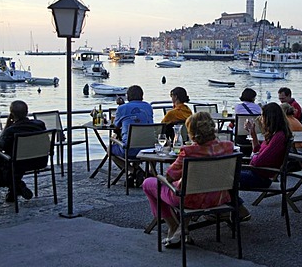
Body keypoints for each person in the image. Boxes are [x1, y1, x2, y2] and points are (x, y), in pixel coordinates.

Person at [142, 112, 234, 248]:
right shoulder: (228, 147)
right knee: (191, 185)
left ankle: (173, 226)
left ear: (192, 132)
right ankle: (181, 229)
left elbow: (168, 177)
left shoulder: (189, 151)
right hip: (218, 197)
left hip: (190, 200)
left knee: (149, 184)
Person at [0, 100, 46, 202]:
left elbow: (0, 146)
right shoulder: (40, 125)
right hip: (38, 161)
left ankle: (16, 185)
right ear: (27, 112)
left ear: (12, 114)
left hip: (17, 163)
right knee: (12, 161)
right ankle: (14, 189)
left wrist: (7, 125)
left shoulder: (11, 130)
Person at [239, 102, 292, 219]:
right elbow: (258, 151)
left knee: (225, 178)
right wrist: (252, 134)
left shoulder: (278, 137)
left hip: (261, 177)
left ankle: (238, 209)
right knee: (226, 174)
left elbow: (257, 161)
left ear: (269, 118)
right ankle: (234, 209)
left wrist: (254, 157)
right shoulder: (276, 134)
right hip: (259, 174)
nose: (261, 119)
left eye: (262, 116)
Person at [111, 85, 154, 187]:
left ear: (128, 96)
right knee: (137, 141)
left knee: (110, 149)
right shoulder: (148, 106)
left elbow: (116, 126)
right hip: (149, 148)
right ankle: (141, 173)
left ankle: (133, 170)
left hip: (130, 149)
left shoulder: (122, 108)